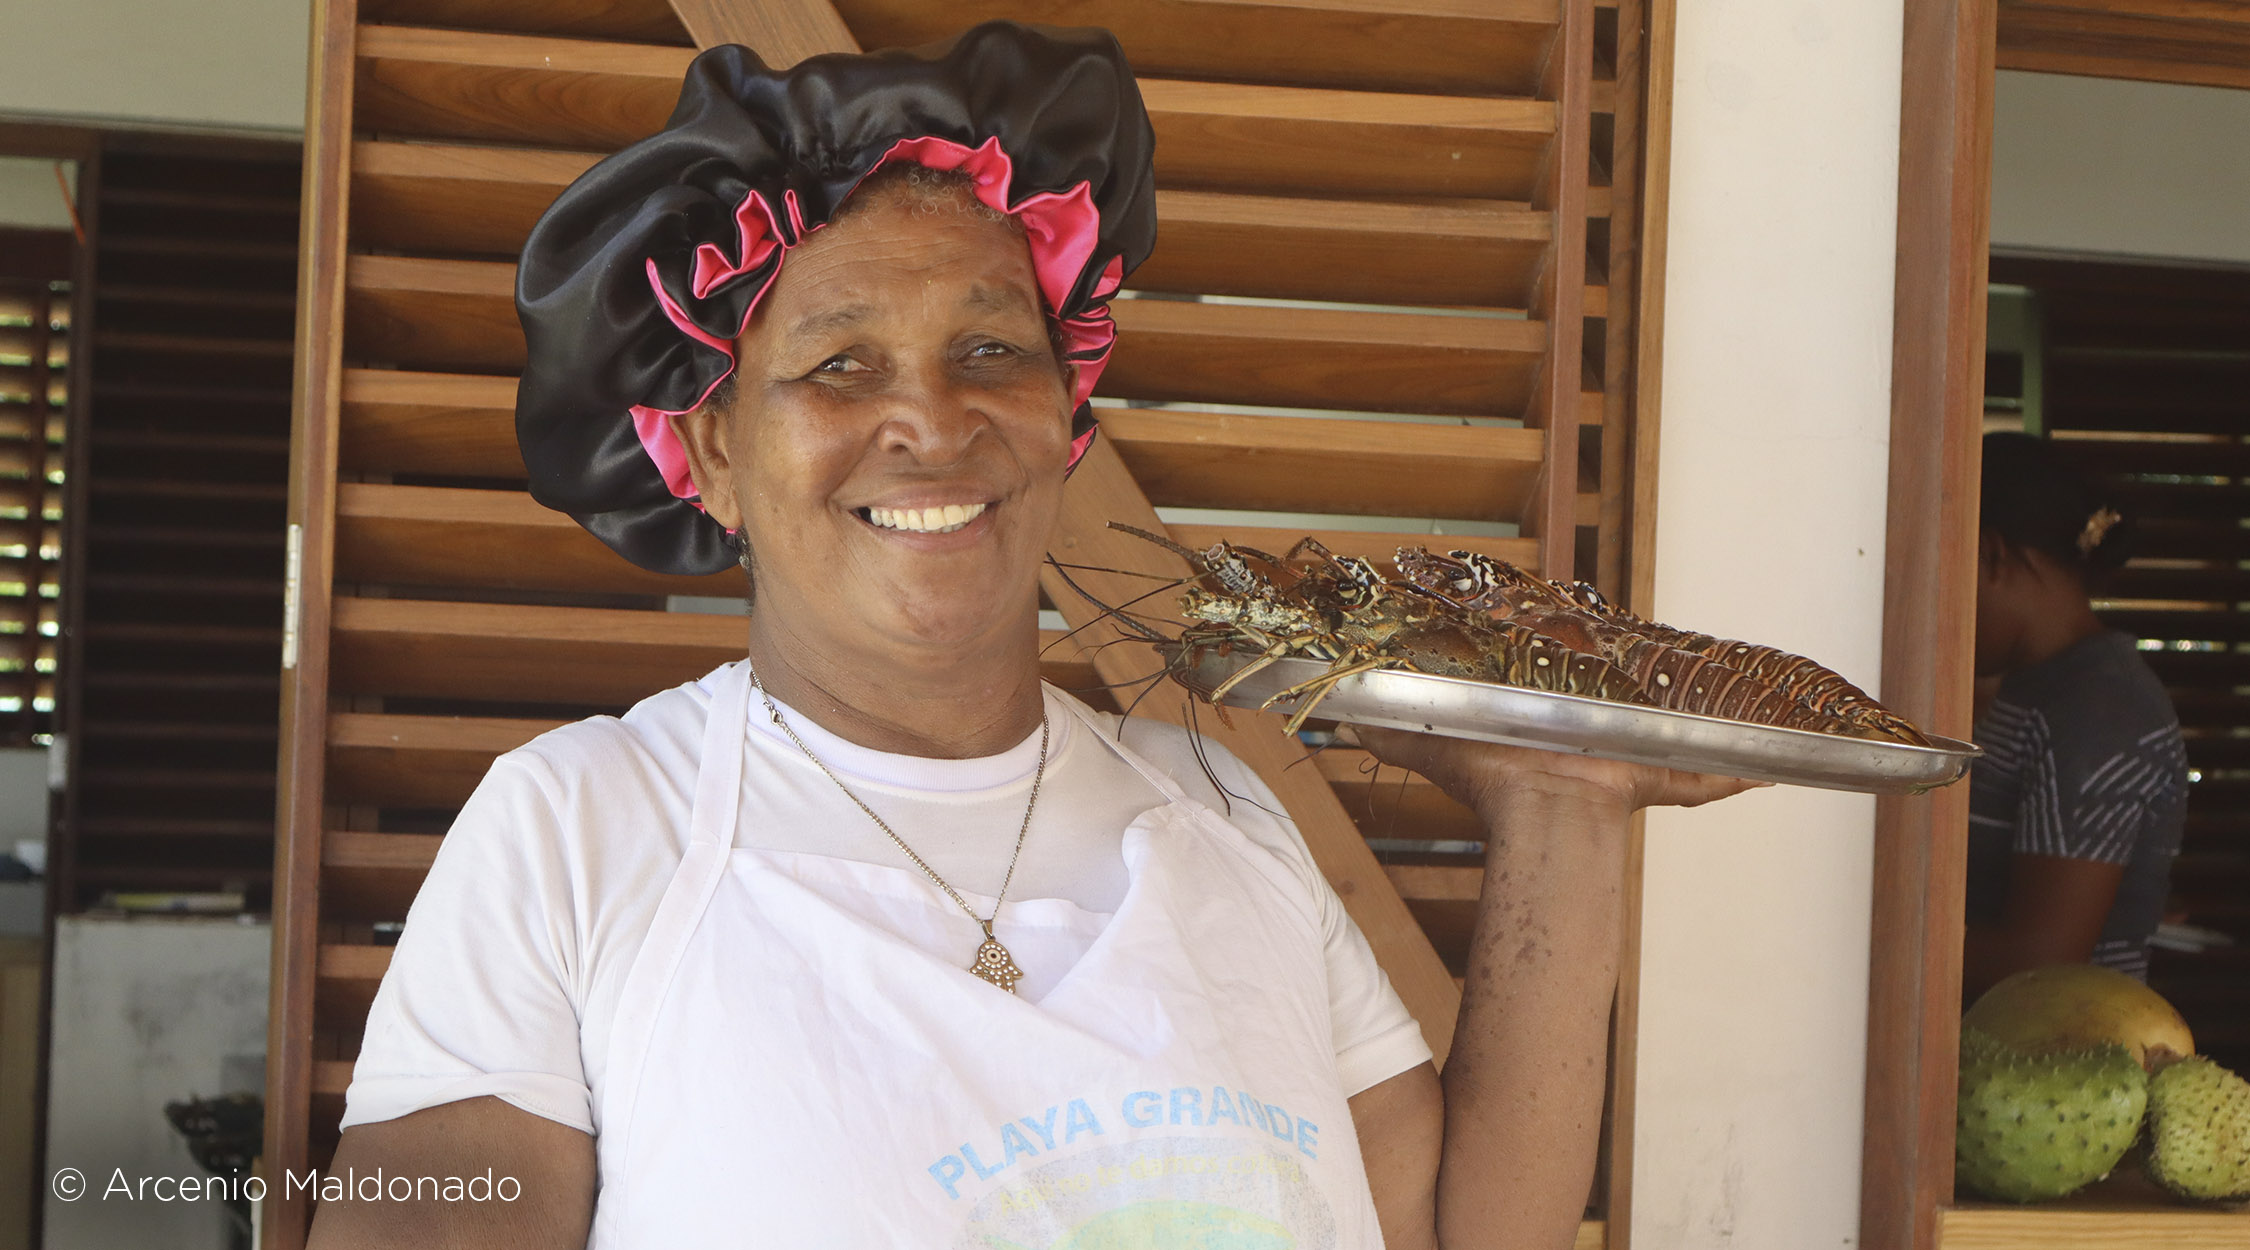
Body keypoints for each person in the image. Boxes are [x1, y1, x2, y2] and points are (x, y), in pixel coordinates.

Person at [308, 24, 1750, 1249]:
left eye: (991, 349)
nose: (931, 420)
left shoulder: (1214, 810)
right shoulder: (586, 830)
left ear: (1069, 426)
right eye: (837, 362)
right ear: (716, 456)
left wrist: (1557, 807)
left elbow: (1443, 1228)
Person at [1962, 432, 2189, 1002]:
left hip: (2059, 1066)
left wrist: (1852, 937)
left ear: (1991, 554)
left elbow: (2040, 958)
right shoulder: (2041, 689)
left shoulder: (2098, 707)